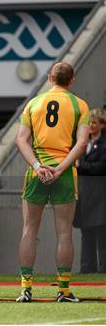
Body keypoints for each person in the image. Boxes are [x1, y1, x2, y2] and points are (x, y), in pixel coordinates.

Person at [15, 62, 89, 303]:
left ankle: (26, 289)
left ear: (49, 78)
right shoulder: (80, 105)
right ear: (73, 80)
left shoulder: (34, 103)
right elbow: (81, 144)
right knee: (65, 232)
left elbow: (21, 140)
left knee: (28, 230)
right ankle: (64, 290)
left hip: (36, 172)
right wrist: (59, 169)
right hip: (64, 172)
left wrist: (38, 166)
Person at [75, 108, 106, 273]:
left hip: (100, 194)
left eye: (94, 122)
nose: (91, 126)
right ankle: (86, 269)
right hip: (84, 193)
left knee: (102, 234)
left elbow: (102, 166)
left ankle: (103, 270)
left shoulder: (104, 144)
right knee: (86, 233)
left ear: (102, 124)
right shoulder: (82, 143)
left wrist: (83, 166)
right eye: (89, 122)